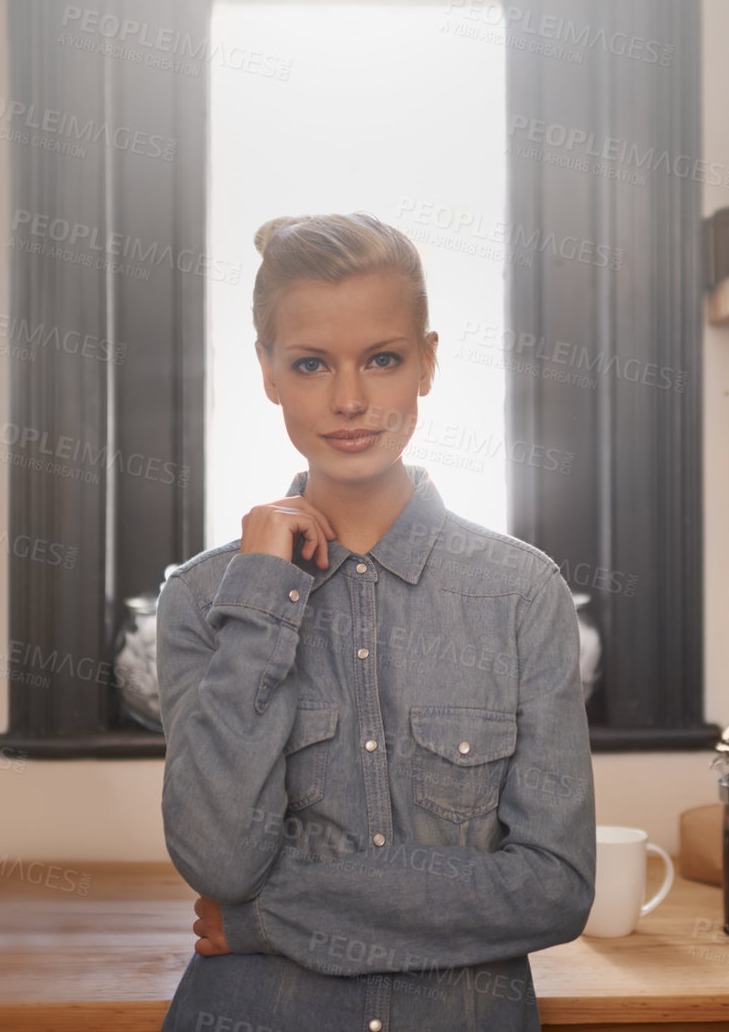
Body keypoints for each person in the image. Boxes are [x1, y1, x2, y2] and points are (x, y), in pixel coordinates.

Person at [156, 213, 596, 1032]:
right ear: (267, 371)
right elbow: (217, 858)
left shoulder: (522, 595)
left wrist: (263, 919)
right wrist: (260, 599)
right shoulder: (201, 599)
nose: (350, 399)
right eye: (311, 363)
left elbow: (553, 888)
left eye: (382, 359)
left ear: (426, 362)